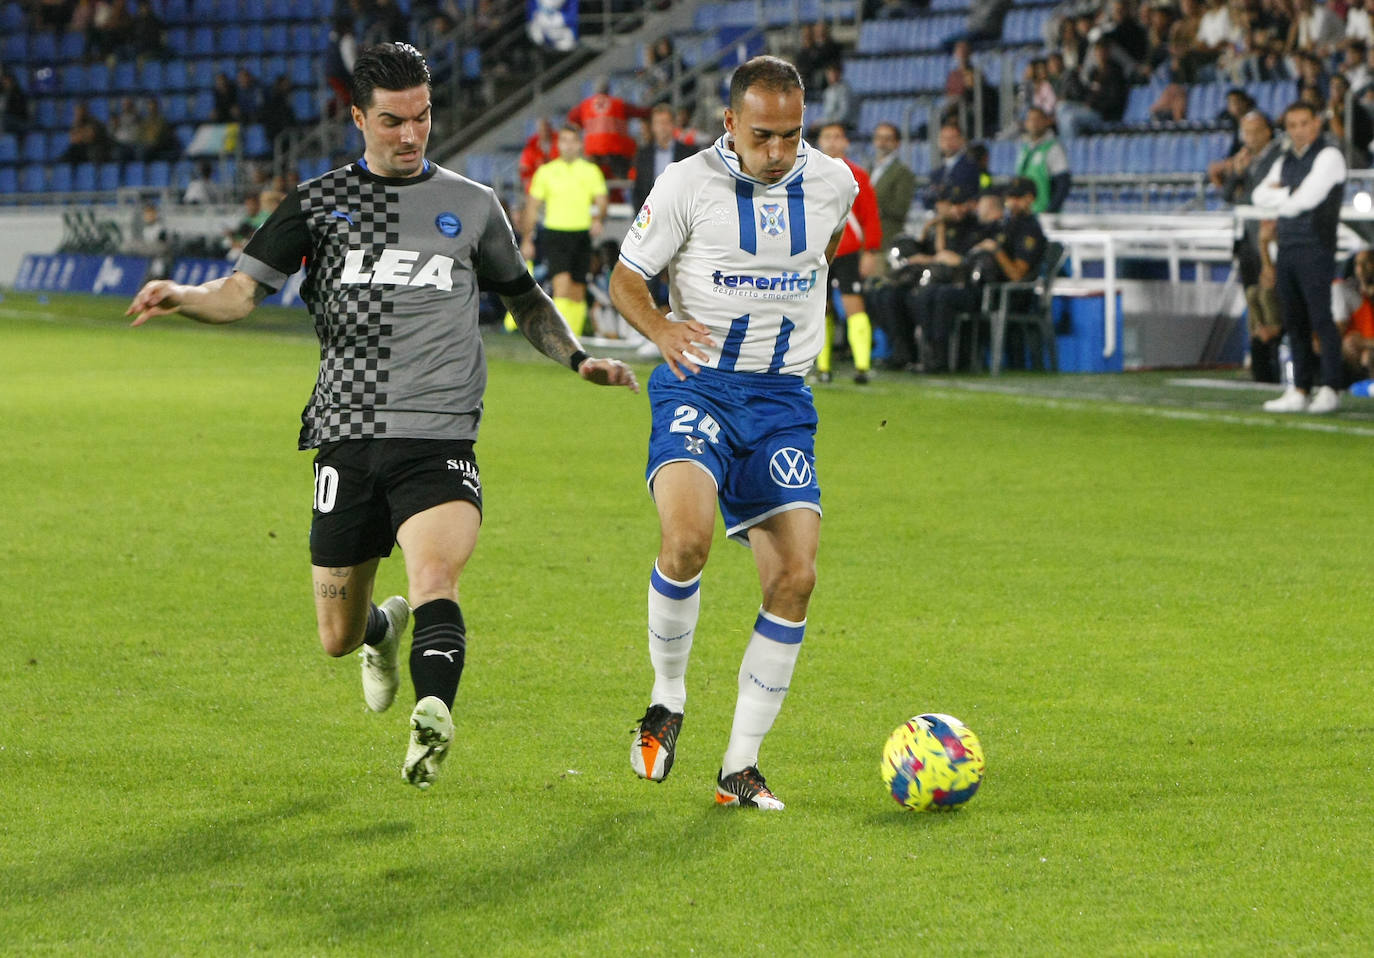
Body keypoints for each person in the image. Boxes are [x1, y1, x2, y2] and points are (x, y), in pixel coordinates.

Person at [124, 42, 638, 790]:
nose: (410, 135)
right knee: (336, 636)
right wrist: (183, 295)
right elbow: (240, 291)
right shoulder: (317, 203)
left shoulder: (471, 205)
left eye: (422, 117)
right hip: (345, 433)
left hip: (438, 432)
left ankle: (433, 713)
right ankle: (380, 631)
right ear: (358, 117)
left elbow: (523, 298)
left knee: (437, 573)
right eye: (392, 121)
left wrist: (577, 356)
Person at [608, 55, 858, 811]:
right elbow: (625, 278)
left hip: (781, 399)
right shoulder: (686, 185)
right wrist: (660, 327)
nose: (779, 152)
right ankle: (667, 700)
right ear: (729, 124)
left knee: (796, 579)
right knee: (686, 540)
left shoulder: (836, 183)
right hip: (699, 387)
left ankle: (738, 768)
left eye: (792, 135)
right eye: (762, 136)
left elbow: (825, 256)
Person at [1251, 100, 1347, 413]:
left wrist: (1284, 196)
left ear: (1316, 123)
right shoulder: (1285, 158)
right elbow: (1258, 195)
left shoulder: (1330, 156)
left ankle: (1331, 386)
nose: (1298, 131)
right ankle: (1301, 387)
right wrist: (1289, 195)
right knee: (1293, 321)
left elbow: (1307, 199)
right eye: (1292, 126)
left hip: (1316, 246)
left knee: (1321, 318)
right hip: (1288, 247)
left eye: (1304, 123)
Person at [1212, 110, 1283, 382]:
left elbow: (1259, 198)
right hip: (1245, 242)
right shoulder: (1244, 159)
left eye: (1254, 132)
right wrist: (1236, 174)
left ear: (1267, 132)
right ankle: (1260, 366)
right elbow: (1228, 196)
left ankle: (1277, 365)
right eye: (1246, 132)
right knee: (1253, 300)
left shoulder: (1276, 158)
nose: (1249, 138)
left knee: (1271, 299)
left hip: (1266, 239)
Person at [522, 124, 608, 337]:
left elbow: (602, 200)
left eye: (572, 141)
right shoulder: (546, 172)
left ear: (579, 144)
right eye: (564, 141)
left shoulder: (591, 171)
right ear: (558, 144)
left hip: (581, 234)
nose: (568, 146)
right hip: (556, 233)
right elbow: (532, 206)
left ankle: (574, 337)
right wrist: (526, 239)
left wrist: (598, 218)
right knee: (561, 285)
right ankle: (559, 337)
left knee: (578, 290)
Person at [814, 122, 883, 384]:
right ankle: (823, 368)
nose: (832, 142)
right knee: (821, 309)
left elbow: (870, 217)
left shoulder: (858, 175)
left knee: (854, 305)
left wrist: (871, 251)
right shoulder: (809, 174)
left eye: (837, 137)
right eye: (827, 137)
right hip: (818, 252)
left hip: (848, 250)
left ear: (846, 143)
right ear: (820, 141)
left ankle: (862, 366)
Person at [564, 77, 650, 181]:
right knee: (624, 180)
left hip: (593, 153)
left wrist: (581, 125)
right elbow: (639, 112)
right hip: (616, 152)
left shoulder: (585, 106)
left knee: (593, 182)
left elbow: (571, 117)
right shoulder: (618, 104)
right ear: (609, 90)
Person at [868, 121, 917, 263]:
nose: (882, 142)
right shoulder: (868, 169)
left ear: (897, 143)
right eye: (879, 138)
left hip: (886, 239)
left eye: (887, 139)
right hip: (865, 240)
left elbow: (900, 208)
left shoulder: (903, 172)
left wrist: (871, 205)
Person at [632, 103, 695, 212]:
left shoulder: (689, 153)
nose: (662, 127)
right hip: (650, 215)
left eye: (666, 123)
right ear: (653, 127)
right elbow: (638, 189)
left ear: (674, 125)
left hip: (680, 214)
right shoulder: (643, 155)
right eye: (658, 123)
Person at [1015, 106, 1071, 213]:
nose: (1034, 123)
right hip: (1027, 213)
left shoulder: (1053, 148)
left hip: (1043, 213)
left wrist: (1050, 210)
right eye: (1031, 120)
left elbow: (1063, 184)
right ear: (1026, 123)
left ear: (1047, 122)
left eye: (1038, 119)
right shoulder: (1025, 149)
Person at [1335, 249, 1374, 384]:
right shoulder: (1351, 291)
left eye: (1366, 263)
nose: (1360, 269)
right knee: (1346, 346)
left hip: (1369, 348)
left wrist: (1363, 342)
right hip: (1359, 348)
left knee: (1369, 355)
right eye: (1357, 264)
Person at [922, 120, 981, 209]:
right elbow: (928, 198)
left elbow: (968, 194)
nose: (947, 142)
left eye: (952, 138)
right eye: (944, 138)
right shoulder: (936, 172)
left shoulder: (971, 167)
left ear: (962, 140)